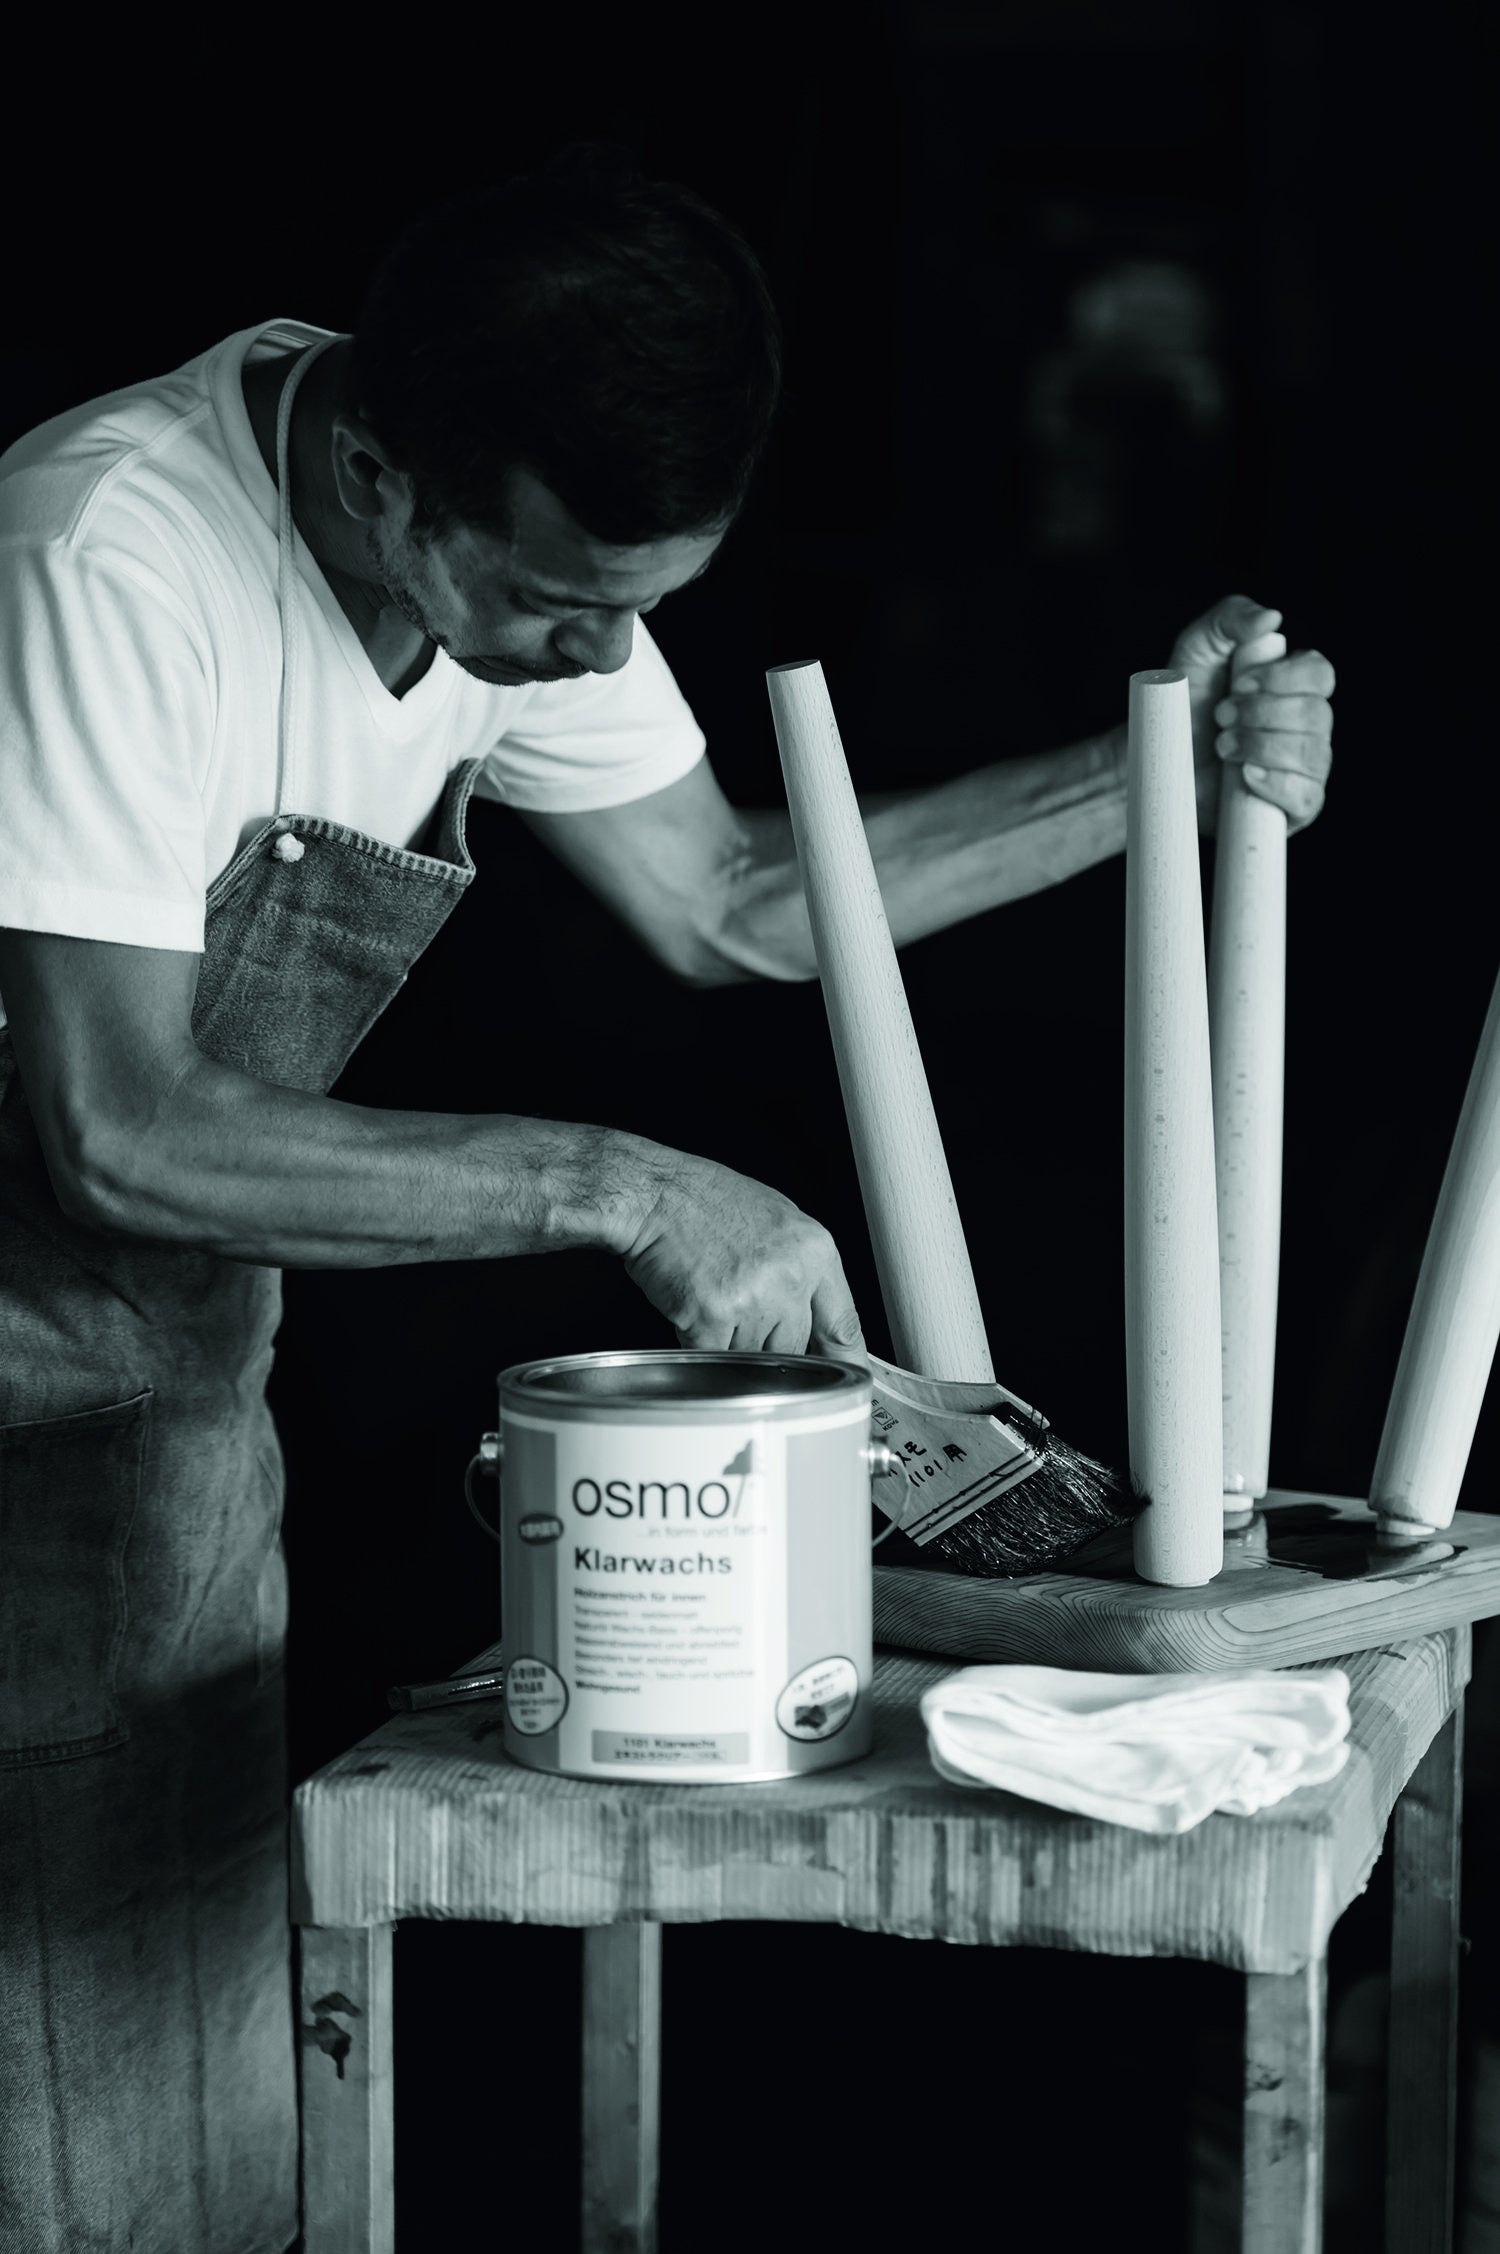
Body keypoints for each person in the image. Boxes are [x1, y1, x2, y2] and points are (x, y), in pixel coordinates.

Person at [0, 141, 1334, 2251]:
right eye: (563, 607)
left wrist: (1159, 763)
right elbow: (115, 1127)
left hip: (173, 1409)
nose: (602, 653)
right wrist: (623, 1185)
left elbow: (735, 898)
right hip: (17, 1419)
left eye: (643, 601)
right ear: (375, 479)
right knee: (58, 2121)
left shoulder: (510, 542)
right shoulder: (106, 556)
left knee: (183, 2099)